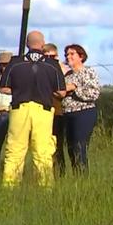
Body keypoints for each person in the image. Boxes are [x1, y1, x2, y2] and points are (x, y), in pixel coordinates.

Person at [0, 31, 66, 188]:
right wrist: (47, 90)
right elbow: (61, 92)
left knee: (15, 150)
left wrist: (19, 89)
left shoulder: (15, 62)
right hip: (43, 110)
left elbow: (3, 88)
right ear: (43, 44)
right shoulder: (52, 65)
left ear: (27, 44)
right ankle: (45, 187)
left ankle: (10, 186)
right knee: (43, 151)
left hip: (19, 109)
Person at [62, 44, 100, 175]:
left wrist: (74, 89)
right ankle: (76, 175)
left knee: (79, 145)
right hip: (68, 114)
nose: (68, 56)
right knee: (71, 148)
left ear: (81, 56)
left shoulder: (88, 72)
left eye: (72, 54)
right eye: (67, 54)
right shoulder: (67, 75)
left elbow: (94, 93)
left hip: (84, 112)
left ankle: (83, 176)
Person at [43, 43, 68, 177]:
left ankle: (60, 173)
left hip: (58, 113)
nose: (50, 60)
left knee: (58, 145)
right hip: (44, 111)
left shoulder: (62, 69)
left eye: (52, 57)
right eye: (46, 57)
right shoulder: (42, 69)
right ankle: (47, 172)